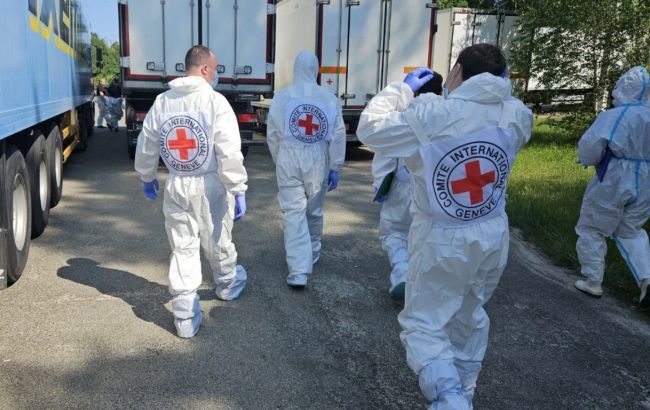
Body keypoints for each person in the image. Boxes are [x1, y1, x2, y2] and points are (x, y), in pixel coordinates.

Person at [357, 43, 533, 409]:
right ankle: (464, 392)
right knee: (469, 315)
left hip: (443, 237)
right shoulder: (517, 114)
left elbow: (370, 130)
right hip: (491, 233)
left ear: (456, 71)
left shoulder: (434, 114)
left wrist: (402, 90)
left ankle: (450, 398)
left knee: (424, 324)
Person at [134, 45, 248, 338]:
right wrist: (237, 187)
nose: (217, 75)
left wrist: (147, 175)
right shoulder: (215, 101)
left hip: (176, 183)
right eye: (216, 69)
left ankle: (184, 317)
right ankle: (227, 284)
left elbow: (147, 142)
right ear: (205, 68)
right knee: (217, 237)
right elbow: (228, 150)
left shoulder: (162, 102)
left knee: (182, 245)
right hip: (210, 184)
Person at [266, 51, 346, 288]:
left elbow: (273, 133)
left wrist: (279, 158)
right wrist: (335, 166)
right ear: (317, 70)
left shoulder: (282, 97)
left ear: (295, 69)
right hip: (317, 159)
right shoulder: (329, 98)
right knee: (314, 210)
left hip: (289, 157)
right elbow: (338, 135)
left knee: (293, 213)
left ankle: (299, 270)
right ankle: (312, 252)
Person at [574, 66, 650, 307]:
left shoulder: (615, 115)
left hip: (616, 175)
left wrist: (589, 160)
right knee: (631, 230)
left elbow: (591, 146)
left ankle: (593, 280)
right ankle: (647, 278)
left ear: (623, 88)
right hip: (646, 178)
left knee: (593, 226)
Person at [372, 73, 443, 301]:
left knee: (395, 232)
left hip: (402, 186)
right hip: (434, 190)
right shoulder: (451, 114)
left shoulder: (403, 115)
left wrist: (380, 185)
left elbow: (385, 152)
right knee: (427, 235)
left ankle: (402, 272)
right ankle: (426, 283)